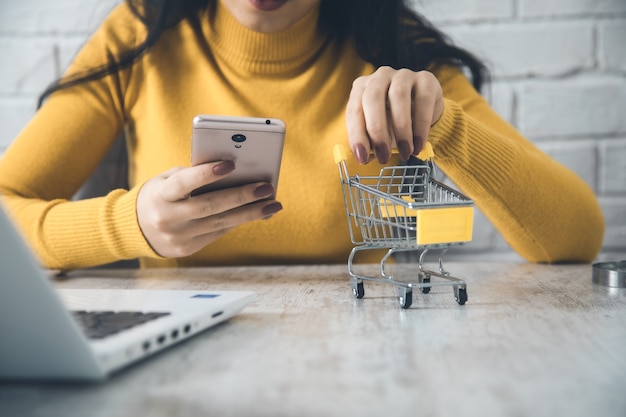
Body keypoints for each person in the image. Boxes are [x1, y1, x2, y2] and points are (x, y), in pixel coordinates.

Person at [0, 0, 604, 270]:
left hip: (371, 367)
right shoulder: (140, 32)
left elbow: (576, 236)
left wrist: (439, 122)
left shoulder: (396, 47)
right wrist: (130, 225)